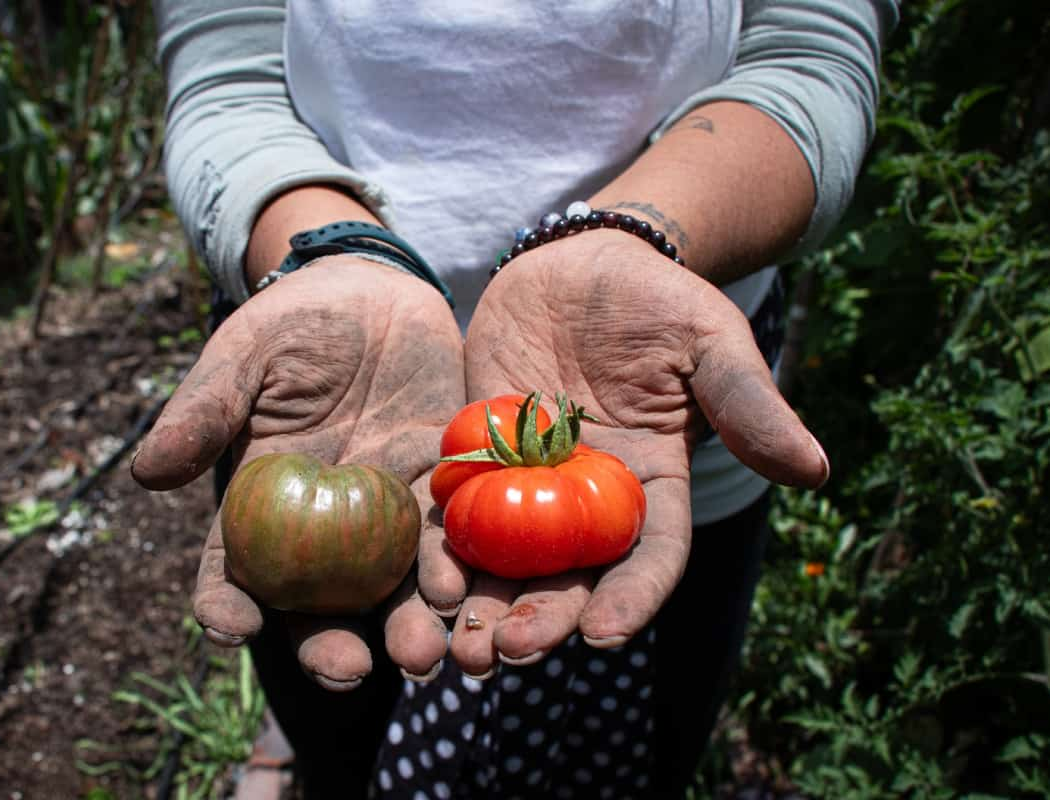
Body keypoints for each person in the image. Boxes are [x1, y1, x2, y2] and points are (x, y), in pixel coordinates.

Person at [134, 0, 897, 796]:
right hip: (318, 403)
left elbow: (814, 58)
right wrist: (337, 250)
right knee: (341, 757)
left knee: (645, 753)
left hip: (644, 399)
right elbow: (227, 84)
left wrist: (627, 240)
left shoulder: (542, 456)